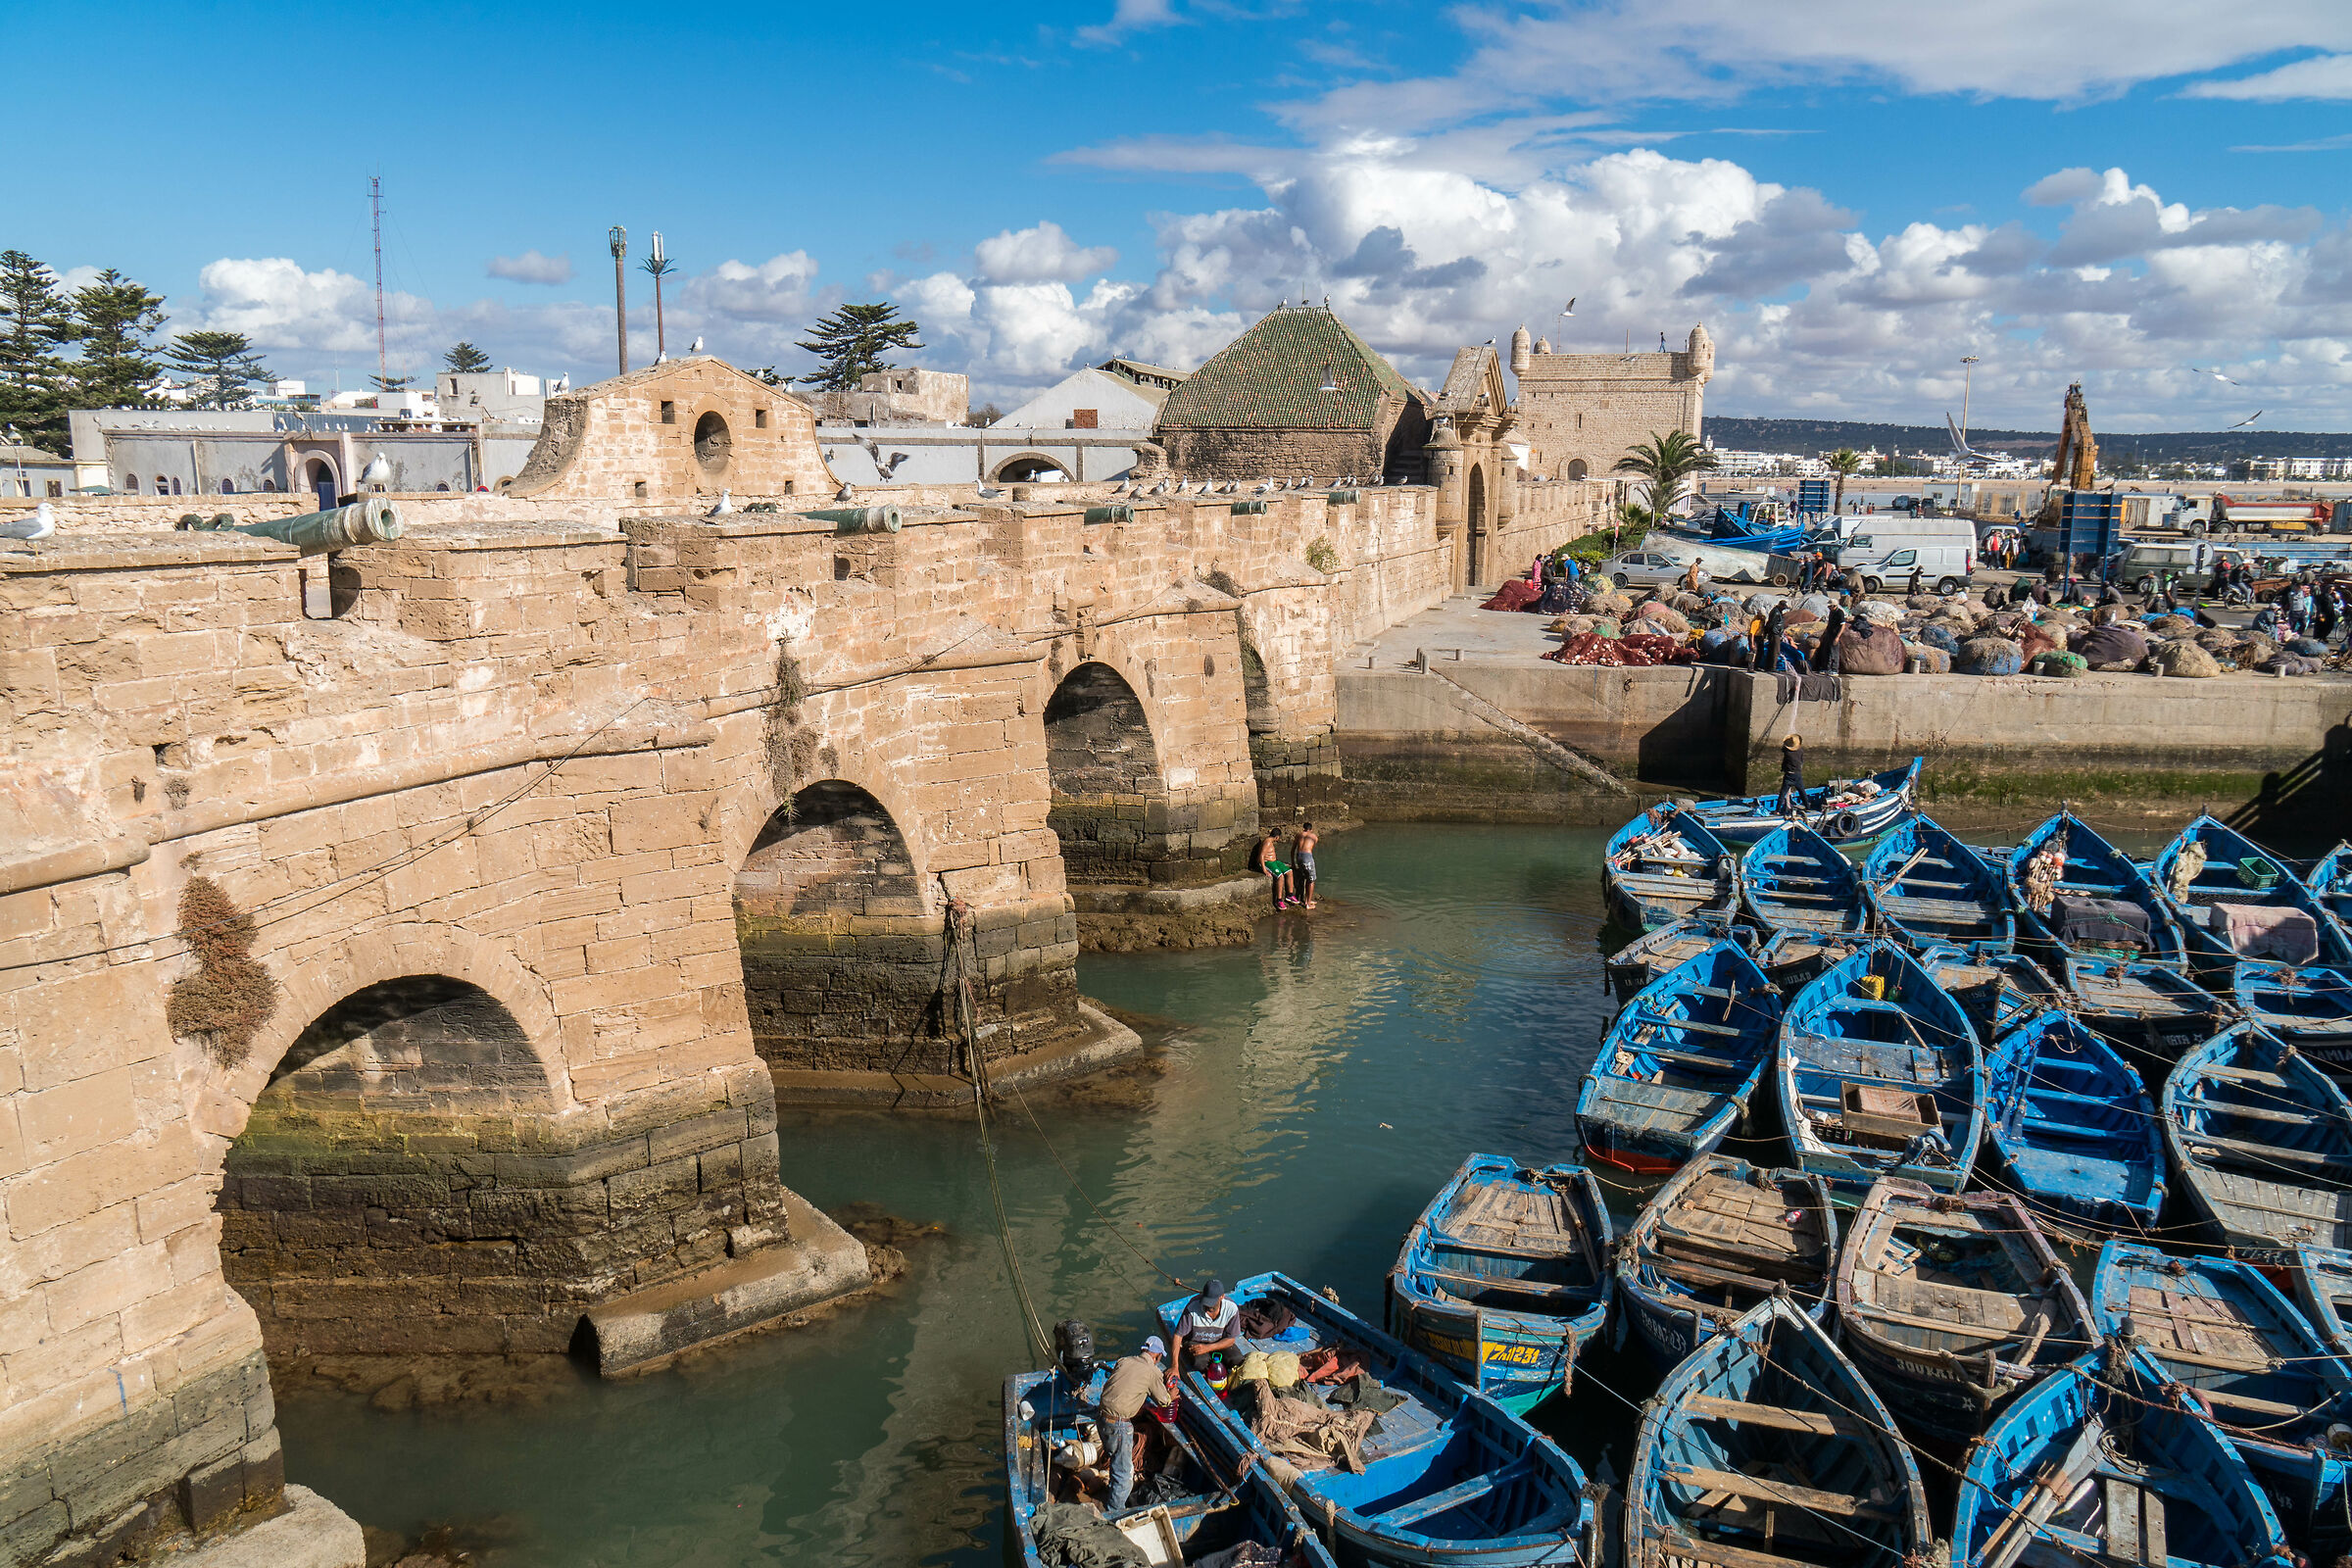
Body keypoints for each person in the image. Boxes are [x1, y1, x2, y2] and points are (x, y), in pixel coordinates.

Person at [1099, 1336, 1175, 1513]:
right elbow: (1164, 1401)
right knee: (1124, 1477)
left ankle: (1113, 1493)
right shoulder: (1152, 1372)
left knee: (1116, 1462)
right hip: (1119, 1427)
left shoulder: (1123, 1361)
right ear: (1156, 1357)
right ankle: (1114, 1514)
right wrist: (1172, 1394)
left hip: (1101, 1419)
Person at [1172, 1279, 1240, 1380]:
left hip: (1218, 1341)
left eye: (1212, 1302)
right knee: (1200, 1363)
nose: (1208, 1306)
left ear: (1222, 1297)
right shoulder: (1192, 1307)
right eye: (1206, 1302)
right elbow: (1178, 1336)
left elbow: (1231, 1340)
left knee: (1237, 1360)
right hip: (1196, 1341)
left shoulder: (1232, 1309)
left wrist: (1208, 1348)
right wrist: (1174, 1366)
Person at [1250, 829, 1292, 912]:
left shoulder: (1270, 841)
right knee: (1280, 877)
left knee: (1289, 871)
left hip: (1274, 861)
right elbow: (1261, 856)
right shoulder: (1267, 842)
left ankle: (1290, 895)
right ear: (1277, 837)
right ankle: (1279, 900)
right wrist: (1264, 870)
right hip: (1267, 862)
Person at [1776, 734, 1806, 818]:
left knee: (1782, 793)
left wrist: (1783, 769)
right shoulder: (1800, 751)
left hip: (1789, 775)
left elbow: (1784, 760)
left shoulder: (1787, 753)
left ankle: (1777, 810)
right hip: (1797, 774)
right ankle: (1807, 807)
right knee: (1802, 791)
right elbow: (1801, 761)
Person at [1293, 821, 1319, 909]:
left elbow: (1292, 850)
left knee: (1306, 878)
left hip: (1299, 857)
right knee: (1311, 880)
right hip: (1307, 857)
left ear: (1303, 828)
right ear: (1311, 829)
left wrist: (1293, 863)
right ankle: (1308, 903)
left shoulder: (1298, 835)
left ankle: (1307, 899)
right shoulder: (1314, 837)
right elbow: (1311, 848)